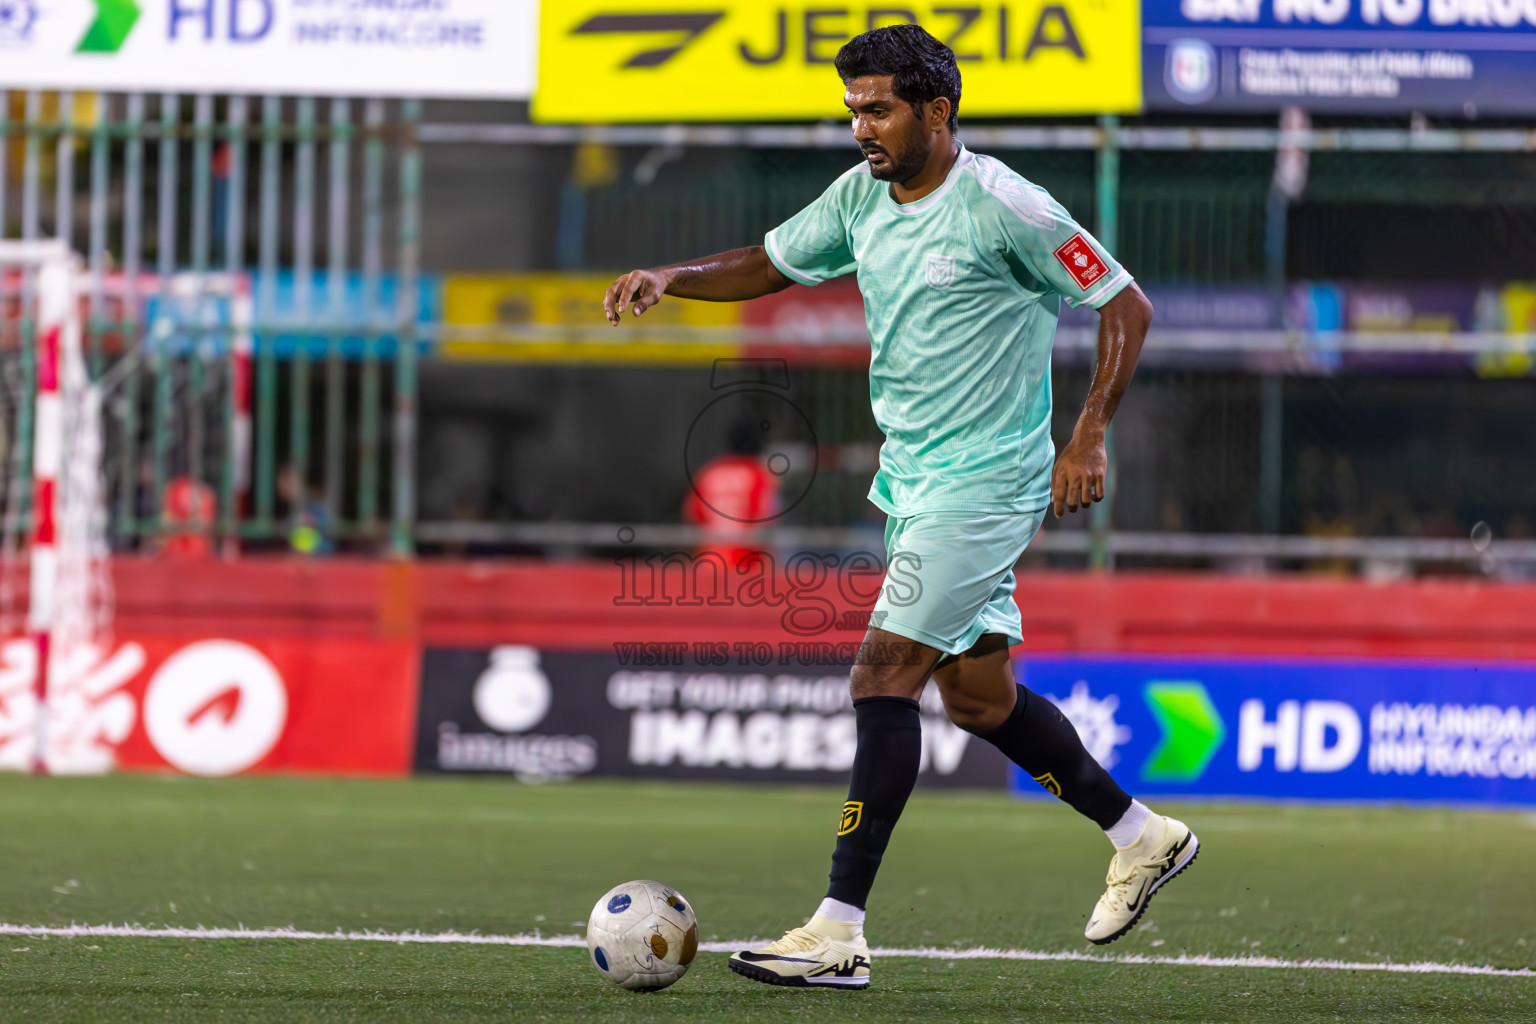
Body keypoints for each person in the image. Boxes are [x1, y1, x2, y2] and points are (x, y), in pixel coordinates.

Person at [601, 25, 1193, 990]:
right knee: (977, 698)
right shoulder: (860, 197)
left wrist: (1087, 436)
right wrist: (676, 277)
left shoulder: (1006, 206)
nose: (861, 128)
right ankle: (1143, 834)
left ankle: (837, 931)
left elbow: (1125, 304)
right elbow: (769, 260)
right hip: (915, 487)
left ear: (937, 111)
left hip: (990, 482)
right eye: (853, 111)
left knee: (882, 678)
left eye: (878, 110)